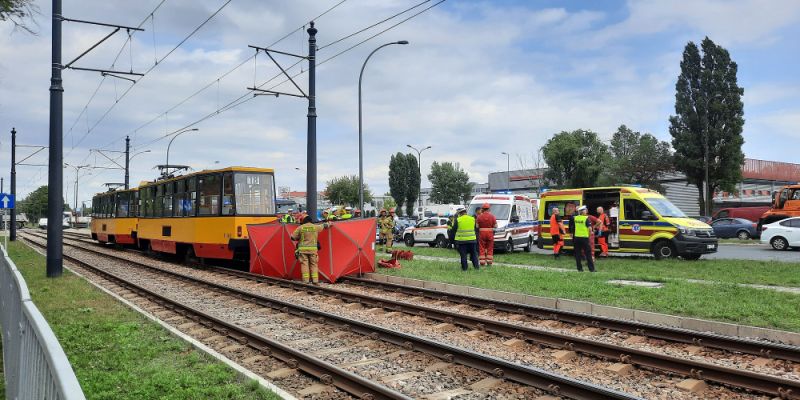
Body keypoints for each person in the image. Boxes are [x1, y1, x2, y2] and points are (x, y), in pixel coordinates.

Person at [290, 215, 330, 284]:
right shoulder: (315, 227)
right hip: (313, 250)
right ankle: (315, 280)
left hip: (303, 250)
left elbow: (293, 237)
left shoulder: (300, 227)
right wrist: (329, 224)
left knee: (304, 264)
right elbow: (324, 226)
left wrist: (298, 238)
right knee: (314, 264)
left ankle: (306, 281)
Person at [569, 205, 596, 272]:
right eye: (585, 210)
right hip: (584, 238)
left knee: (578, 254)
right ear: (582, 211)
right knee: (588, 253)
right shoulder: (586, 218)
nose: (586, 211)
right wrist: (591, 232)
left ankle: (579, 269)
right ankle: (591, 269)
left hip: (576, 238)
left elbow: (572, 227)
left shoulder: (575, 218)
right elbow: (590, 228)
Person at [452, 206, 479, 271]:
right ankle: (476, 268)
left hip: (462, 241)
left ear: (460, 213)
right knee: (474, 255)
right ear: (466, 212)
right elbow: (475, 229)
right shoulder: (472, 219)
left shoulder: (458, 220)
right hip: (472, 240)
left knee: (463, 256)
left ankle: (465, 269)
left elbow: (454, 229)